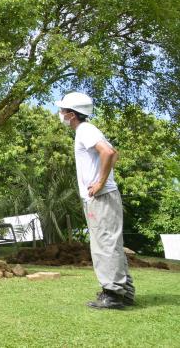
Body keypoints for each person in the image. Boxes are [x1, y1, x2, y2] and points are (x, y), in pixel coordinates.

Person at [57, 92, 135, 310]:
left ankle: (112, 295)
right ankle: (123, 292)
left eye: (63, 111)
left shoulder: (85, 130)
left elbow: (109, 153)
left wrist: (100, 182)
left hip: (101, 196)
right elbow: (113, 153)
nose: (60, 114)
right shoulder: (87, 130)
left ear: (72, 114)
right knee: (111, 243)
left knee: (104, 244)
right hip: (102, 196)